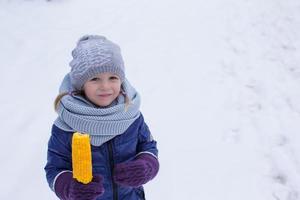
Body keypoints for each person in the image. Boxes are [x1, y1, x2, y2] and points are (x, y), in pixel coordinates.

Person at [44, 35, 159, 200]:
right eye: (95, 79)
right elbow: (55, 168)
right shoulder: (67, 124)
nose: (105, 86)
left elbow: (148, 147)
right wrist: (70, 188)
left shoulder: (131, 116)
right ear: (80, 85)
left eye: (113, 77)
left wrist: (146, 166)